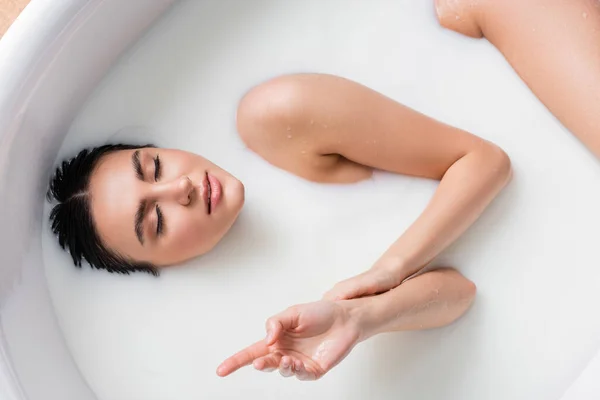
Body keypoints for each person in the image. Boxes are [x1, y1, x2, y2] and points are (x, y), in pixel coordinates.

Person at [47, 74, 512, 378]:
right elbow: (460, 293)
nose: (180, 190)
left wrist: (388, 271)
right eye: (157, 220)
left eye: (154, 167)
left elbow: (483, 162)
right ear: (159, 266)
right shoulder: (252, 324)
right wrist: (363, 316)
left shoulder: (277, 117)